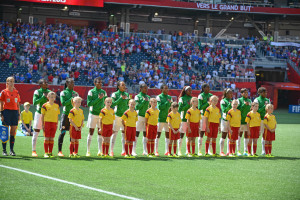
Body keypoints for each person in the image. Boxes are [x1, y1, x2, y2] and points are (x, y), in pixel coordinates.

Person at [0, 77, 21, 156]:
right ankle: (4, 150)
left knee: (13, 131)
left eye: (12, 81)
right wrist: (1, 114)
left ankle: (11, 150)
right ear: (7, 83)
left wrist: (19, 114)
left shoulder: (16, 92)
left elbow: (18, 104)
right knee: (5, 131)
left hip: (14, 113)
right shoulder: (4, 92)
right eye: (10, 81)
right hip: (6, 112)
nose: (11, 83)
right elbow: (1, 104)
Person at [86, 77, 107, 157]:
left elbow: (106, 103)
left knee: (100, 132)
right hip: (93, 114)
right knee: (91, 132)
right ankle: (88, 151)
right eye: (98, 82)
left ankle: (100, 151)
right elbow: (89, 103)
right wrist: (99, 98)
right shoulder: (91, 92)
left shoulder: (103, 92)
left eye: (101, 82)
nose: (100, 84)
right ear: (95, 83)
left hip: (101, 115)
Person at [58, 78, 79, 157]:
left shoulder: (76, 93)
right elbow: (63, 103)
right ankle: (59, 151)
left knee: (72, 134)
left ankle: (72, 152)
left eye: (73, 82)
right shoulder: (63, 92)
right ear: (67, 83)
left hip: (74, 116)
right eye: (71, 83)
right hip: (66, 115)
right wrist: (72, 99)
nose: (73, 84)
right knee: (63, 132)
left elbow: (78, 104)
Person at [32, 79, 52, 157]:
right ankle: (33, 150)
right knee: (36, 131)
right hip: (39, 114)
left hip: (48, 115)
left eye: (47, 82)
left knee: (47, 133)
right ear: (40, 84)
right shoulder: (37, 92)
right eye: (44, 82)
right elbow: (34, 102)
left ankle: (46, 152)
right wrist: (43, 97)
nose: (46, 83)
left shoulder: (49, 92)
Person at [111, 81, 130, 156]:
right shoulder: (115, 94)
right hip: (117, 116)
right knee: (115, 133)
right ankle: (111, 151)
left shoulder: (127, 94)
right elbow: (112, 104)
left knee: (124, 134)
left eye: (124, 85)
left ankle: (123, 151)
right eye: (122, 85)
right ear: (118, 86)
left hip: (125, 117)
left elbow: (128, 105)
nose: (124, 86)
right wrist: (120, 98)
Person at [41, 92, 60, 158]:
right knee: (47, 138)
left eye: (54, 97)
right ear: (48, 97)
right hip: (47, 123)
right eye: (51, 97)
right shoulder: (45, 105)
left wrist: (57, 123)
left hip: (54, 123)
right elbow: (42, 115)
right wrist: (42, 124)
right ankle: (46, 153)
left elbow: (57, 116)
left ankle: (50, 152)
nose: (53, 98)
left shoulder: (56, 106)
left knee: (52, 138)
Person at [156, 84, 172, 156]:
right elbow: (160, 107)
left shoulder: (169, 97)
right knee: (158, 135)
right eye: (165, 88)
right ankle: (156, 151)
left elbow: (171, 108)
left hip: (167, 119)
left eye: (167, 88)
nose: (167, 90)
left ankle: (167, 151)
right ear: (161, 89)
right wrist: (167, 102)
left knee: (168, 135)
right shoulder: (159, 97)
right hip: (160, 118)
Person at [134, 84, 150, 156]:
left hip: (146, 117)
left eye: (147, 88)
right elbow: (137, 107)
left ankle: (145, 150)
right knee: (136, 133)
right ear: (140, 88)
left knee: (145, 134)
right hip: (139, 116)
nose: (146, 90)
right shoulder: (137, 96)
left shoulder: (148, 97)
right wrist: (143, 101)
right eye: (144, 88)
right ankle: (133, 150)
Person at [254, 87, 270, 155]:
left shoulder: (267, 100)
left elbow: (269, 110)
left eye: (266, 92)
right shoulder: (256, 100)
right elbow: (256, 110)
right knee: (256, 135)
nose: (265, 93)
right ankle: (253, 151)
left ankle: (263, 151)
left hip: (265, 120)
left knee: (265, 135)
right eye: (264, 92)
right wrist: (264, 106)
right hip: (258, 120)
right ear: (260, 93)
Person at [197, 83, 213, 156]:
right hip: (203, 116)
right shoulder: (201, 96)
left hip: (210, 116)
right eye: (207, 87)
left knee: (209, 134)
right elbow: (200, 107)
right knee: (202, 133)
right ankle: (199, 150)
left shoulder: (211, 96)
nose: (209, 89)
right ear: (203, 88)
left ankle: (208, 150)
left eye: (209, 87)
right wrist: (207, 103)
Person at [178, 86, 192, 156]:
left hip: (191, 120)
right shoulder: (181, 98)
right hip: (183, 119)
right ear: (185, 91)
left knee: (188, 136)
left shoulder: (192, 98)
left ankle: (187, 151)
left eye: (191, 90)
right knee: (181, 135)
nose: (190, 91)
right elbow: (180, 109)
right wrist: (187, 105)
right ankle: (179, 150)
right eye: (189, 90)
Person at [237, 88, 252, 156]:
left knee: (246, 136)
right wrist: (244, 105)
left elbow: (251, 110)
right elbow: (237, 110)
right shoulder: (239, 100)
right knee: (239, 136)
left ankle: (245, 150)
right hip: (240, 121)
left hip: (247, 122)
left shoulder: (249, 100)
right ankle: (238, 150)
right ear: (241, 93)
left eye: (247, 93)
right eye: (244, 93)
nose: (246, 94)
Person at [220, 88, 233, 156]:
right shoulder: (223, 101)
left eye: (231, 93)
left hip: (231, 121)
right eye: (229, 93)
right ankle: (221, 151)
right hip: (224, 120)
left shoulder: (232, 101)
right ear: (226, 94)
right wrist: (229, 105)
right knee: (224, 135)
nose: (231, 94)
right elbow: (224, 110)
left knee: (230, 136)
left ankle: (229, 151)